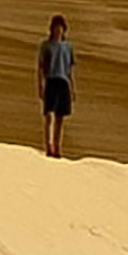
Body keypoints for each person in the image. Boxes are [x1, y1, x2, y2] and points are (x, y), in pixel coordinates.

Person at [37, 13, 75, 159]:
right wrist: (40, 84)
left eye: (60, 28)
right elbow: (40, 67)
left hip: (63, 82)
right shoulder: (46, 46)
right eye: (55, 28)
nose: (58, 31)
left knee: (60, 117)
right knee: (48, 116)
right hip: (51, 81)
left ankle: (58, 147)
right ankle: (48, 146)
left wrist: (72, 87)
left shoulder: (68, 46)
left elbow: (70, 68)